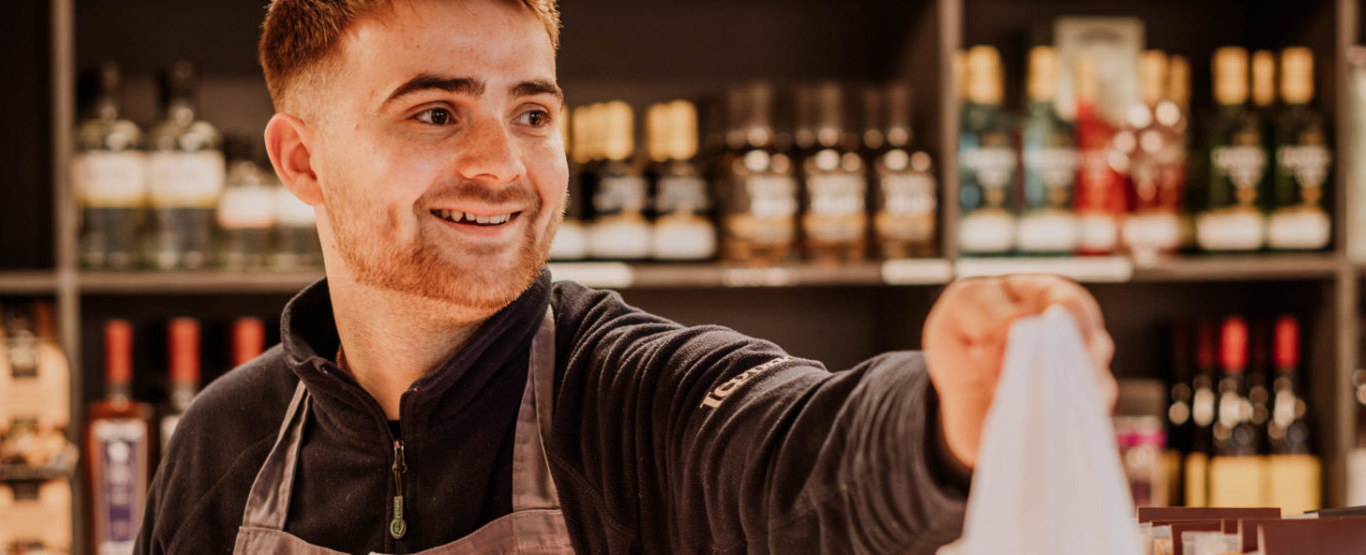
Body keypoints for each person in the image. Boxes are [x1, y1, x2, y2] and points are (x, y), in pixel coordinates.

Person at [136, 0, 1115, 553]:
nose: (504, 165)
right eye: (436, 114)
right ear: (300, 161)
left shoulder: (644, 400)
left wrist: (950, 408)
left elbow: (807, 452)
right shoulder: (225, 443)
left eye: (531, 113)